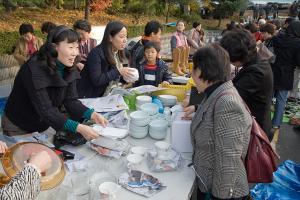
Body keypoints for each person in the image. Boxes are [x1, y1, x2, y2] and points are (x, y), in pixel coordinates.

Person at [2, 25, 108, 141]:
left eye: (77, 47)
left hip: (43, 124)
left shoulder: (68, 66)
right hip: (18, 126)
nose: (75, 53)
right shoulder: (34, 69)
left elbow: (71, 100)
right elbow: (46, 110)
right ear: (54, 47)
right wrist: (78, 127)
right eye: (71, 47)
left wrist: (92, 114)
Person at [184, 44, 252, 200]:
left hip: (221, 191)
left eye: (193, 69)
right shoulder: (217, 91)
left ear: (201, 71)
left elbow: (228, 160)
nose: (191, 74)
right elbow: (212, 112)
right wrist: (197, 108)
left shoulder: (227, 103)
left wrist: (219, 196)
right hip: (208, 182)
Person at [220, 29, 274, 141]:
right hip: (253, 124)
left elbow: (230, 98)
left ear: (237, 56)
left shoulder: (257, 72)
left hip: (256, 131)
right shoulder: (256, 62)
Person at [77, 21, 136, 98]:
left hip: (108, 96)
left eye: (126, 36)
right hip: (90, 97)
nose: (125, 40)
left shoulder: (122, 52)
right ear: (110, 38)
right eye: (121, 37)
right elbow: (97, 80)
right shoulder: (96, 53)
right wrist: (119, 71)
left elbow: (116, 77)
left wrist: (128, 77)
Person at [271, 21, 300, 130]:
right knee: (281, 99)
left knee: (268, 98)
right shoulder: (298, 43)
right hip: (286, 73)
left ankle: (262, 120)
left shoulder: (277, 38)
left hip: (272, 70)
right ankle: (276, 123)